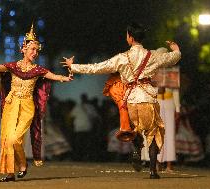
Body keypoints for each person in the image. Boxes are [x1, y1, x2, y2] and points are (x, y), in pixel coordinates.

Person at [61, 22, 181, 179]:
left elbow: (97, 67)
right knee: (153, 132)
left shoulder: (122, 58)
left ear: (130, 38)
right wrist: (176, 49)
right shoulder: (153, 56)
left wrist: (73, 66)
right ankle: (153, 170)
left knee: (134, 128)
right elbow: (173, 58)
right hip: (148, 99)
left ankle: (137, 148)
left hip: (130, 100)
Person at [0, 24, 73, 182]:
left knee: (15, 138)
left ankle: (23, 164)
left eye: (37, 50)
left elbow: (54, 76)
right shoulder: (13, 67)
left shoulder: (38, 70)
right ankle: (11, 173)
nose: (35, 53)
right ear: (23, 49)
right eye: (32, 49)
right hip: (11, 104)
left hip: (27, 106)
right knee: (7, 138)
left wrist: (67, 76)